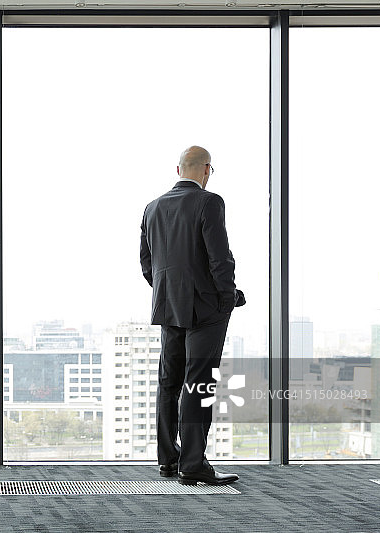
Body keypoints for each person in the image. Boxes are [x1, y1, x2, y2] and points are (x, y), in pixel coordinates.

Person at [139, 146, 245, 486]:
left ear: (178, 169)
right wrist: (227, 298)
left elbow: (146, 263)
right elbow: (219, 257)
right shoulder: (209, 202)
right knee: (198, 383)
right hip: (206, 309)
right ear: (207, 170)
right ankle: (193, 464)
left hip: (168, 305)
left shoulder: (152, 207)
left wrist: (169, 292)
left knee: (169, 383)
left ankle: (168, 461)